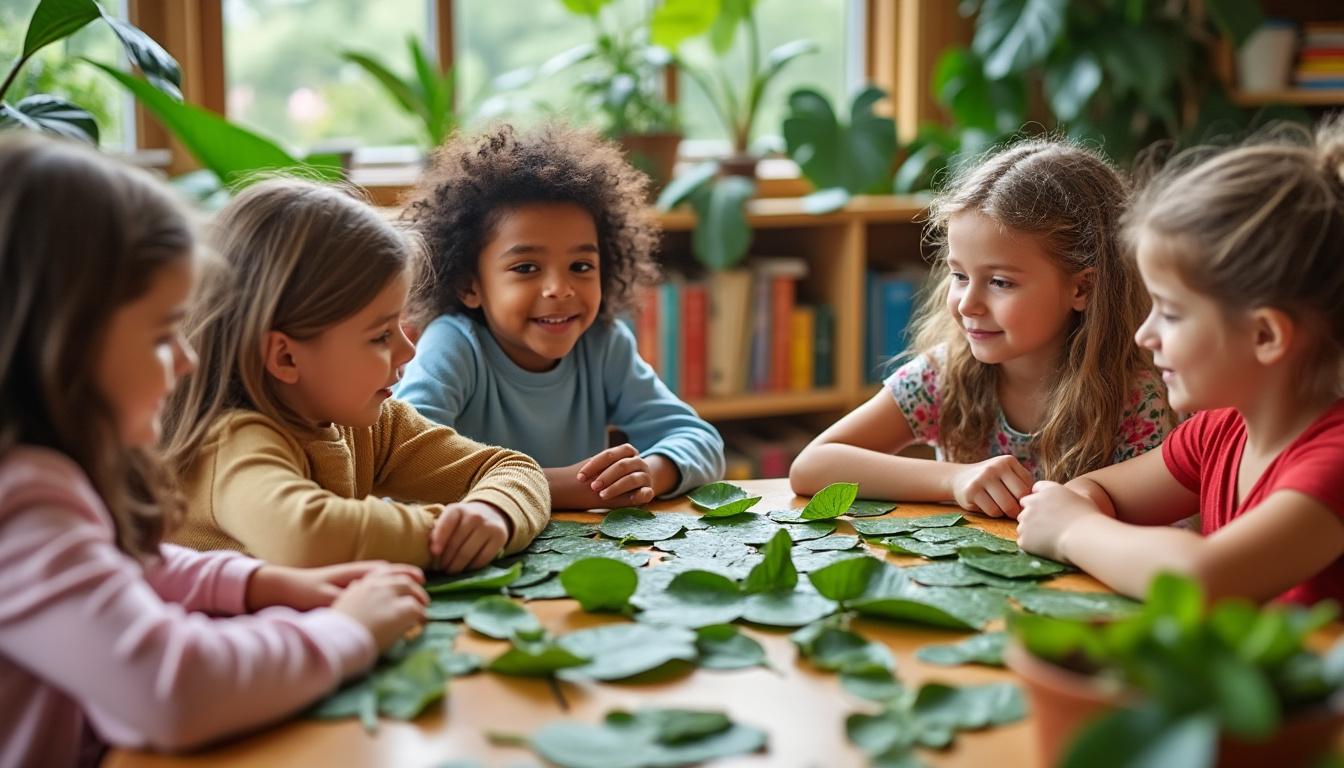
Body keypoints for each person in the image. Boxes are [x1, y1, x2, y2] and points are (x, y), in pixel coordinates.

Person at [0, 134, 428, 767]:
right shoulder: (20, 503)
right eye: (162, 335)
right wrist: (348, 632)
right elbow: (173, 690)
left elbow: (127, 566)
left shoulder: (46, 477)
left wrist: (259, 585)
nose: (187, 359)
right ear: (61, 344)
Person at [1016, 121, 1344, 604]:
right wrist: (1076, 512)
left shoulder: (1333, 461)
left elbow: (1200, 578)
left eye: (1170, 312)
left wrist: (1072, 531)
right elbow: (1093, 491)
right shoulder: (1217, 431)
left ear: (1265, 335)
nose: (1144, 334)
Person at [161, 178, 550, 572]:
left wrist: (492, 512)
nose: (408, 350)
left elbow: (507, 467)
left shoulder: (370, 423)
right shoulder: (230, 444)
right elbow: (309, 537)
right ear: (285, 357)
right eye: (381, 336)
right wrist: (448, 532)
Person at [791, 138, 1173, 517]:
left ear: (1081, 288)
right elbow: (812, 466)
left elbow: (1158, 534)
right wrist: (954, 479)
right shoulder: (942, 376)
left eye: (1000, 282)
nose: (967, 303)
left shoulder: (1135, 399)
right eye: (959, 275)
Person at [394, 124, 725, 509]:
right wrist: (564, 487)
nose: (560, 289)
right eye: (526, 268)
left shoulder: (603, 345)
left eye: (581, 266)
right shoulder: (454, 345)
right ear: (470, 286)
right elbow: (405, 464)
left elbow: (699, 439)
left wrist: (648, 472)